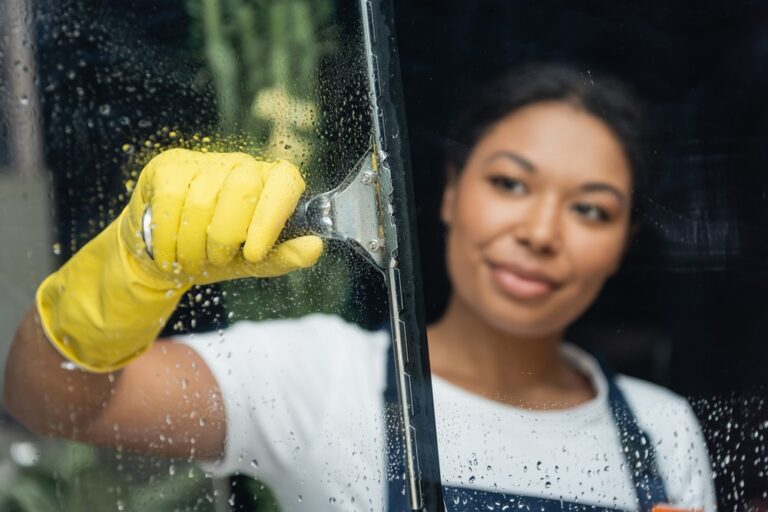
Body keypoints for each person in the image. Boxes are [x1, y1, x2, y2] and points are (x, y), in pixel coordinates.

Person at [4, 65, 716, 511]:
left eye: (590, 208)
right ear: (447, 195)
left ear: (623, 242)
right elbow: (46, 398)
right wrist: (133, 266)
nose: (540, 230)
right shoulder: (318, 379)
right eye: (509, 184)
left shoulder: (660, 432)